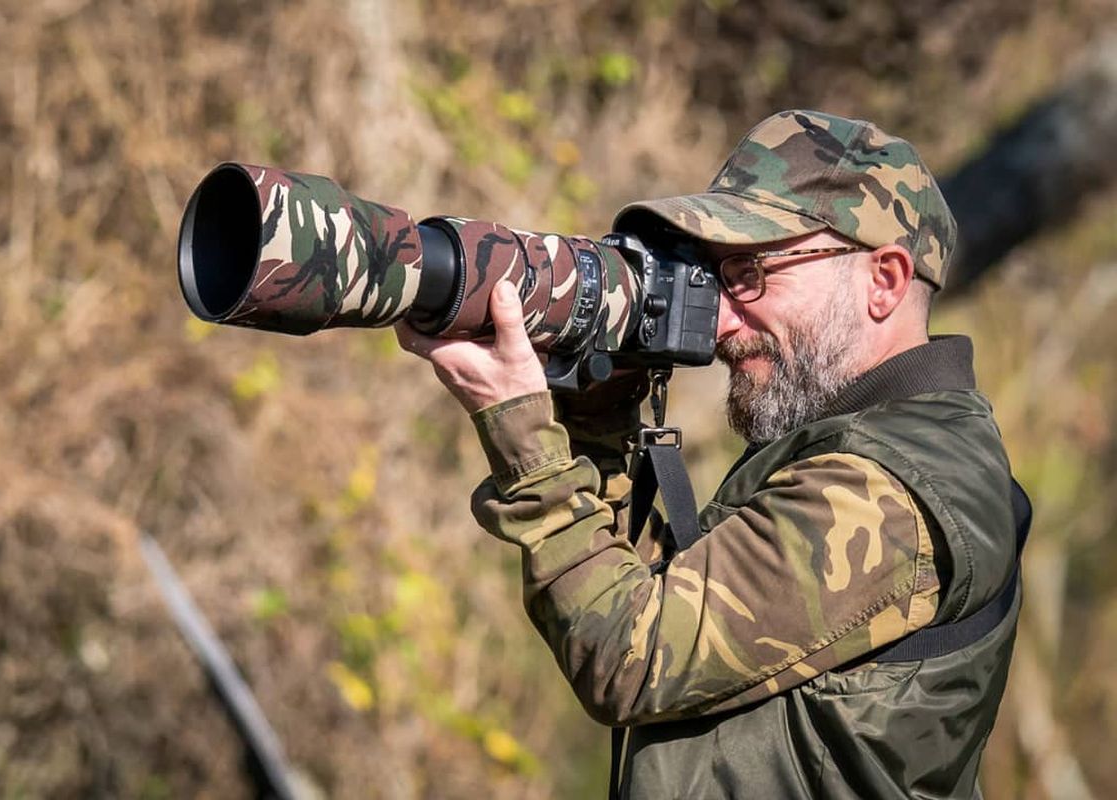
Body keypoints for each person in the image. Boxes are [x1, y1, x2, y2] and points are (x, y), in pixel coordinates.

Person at [396, 110, 1021, 799]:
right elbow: (645, 594)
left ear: (884, 280)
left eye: (752, 274)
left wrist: (523, 432)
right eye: (718, 279)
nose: (722, 319)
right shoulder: (864, 447)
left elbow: (630, 655)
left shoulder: (893, 490)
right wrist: (599, 413)